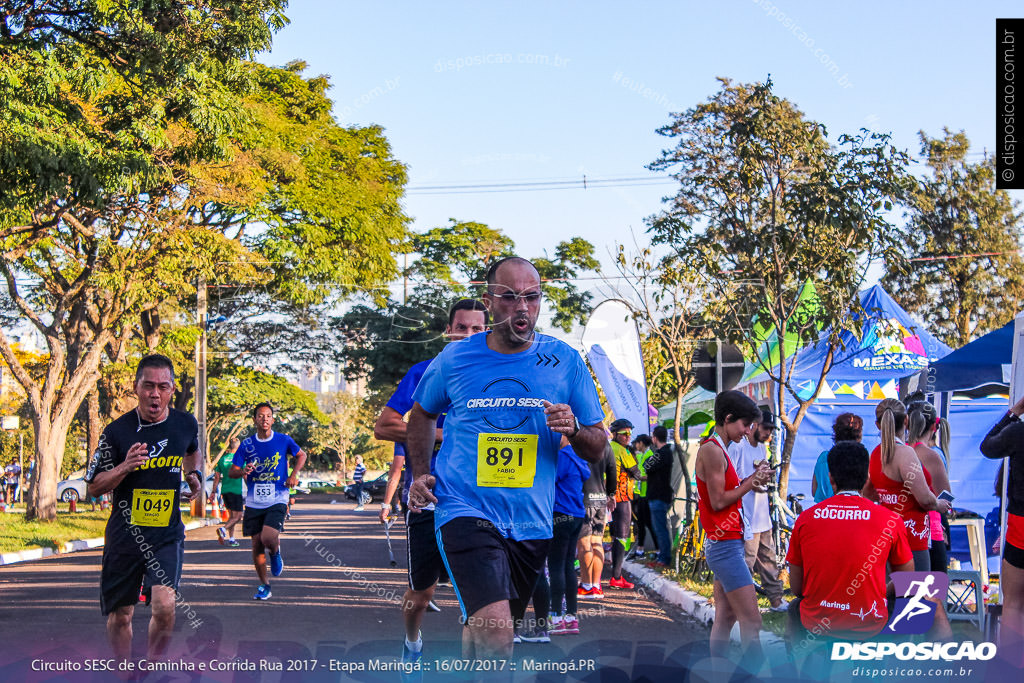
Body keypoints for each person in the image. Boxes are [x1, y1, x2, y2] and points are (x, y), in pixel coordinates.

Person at [405, 256, 607, 660]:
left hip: (531, 520)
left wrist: (573, 428)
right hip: (464, 509)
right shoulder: (456, 358)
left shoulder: (565, 361)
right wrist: (422, 473)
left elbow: (598, 443)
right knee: (498, 636)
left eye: (531, 297)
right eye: (511, 296)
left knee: (484, 630)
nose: (522, 307)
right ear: (490, 300)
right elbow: (422, 413)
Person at [372, 298, 488, 670]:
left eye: (477, 328)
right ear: (449, 330)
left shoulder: (495, 377)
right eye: (462, 327)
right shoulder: (425, 371)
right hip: (427, 498)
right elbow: (384, 424)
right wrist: (442, 432)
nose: (469, 334)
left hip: (478, 501)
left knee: (478, 599)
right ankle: (412, 640)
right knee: (421, 595)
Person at [83, 354, 202, 665]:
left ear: (172, 390)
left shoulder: (184, 423)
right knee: (120, 616)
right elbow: (93, 487)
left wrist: (194, 475)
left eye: (163, 387)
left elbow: (192, 450)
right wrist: (125, 466)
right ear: (136, 388)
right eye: (148, 386)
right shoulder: (116, 432)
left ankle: (151, 667)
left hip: (165, 533)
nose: (155, 394)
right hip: (125, 536)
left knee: (165, 606)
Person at [786, 441, 913, 648]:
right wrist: (880, 592)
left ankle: (794, 667)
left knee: (794, 608)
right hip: (870, 623)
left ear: (830, 478)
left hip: (817, 623)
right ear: (867, 478)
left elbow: (797, 588)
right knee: (914, 603)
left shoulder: (805, 519)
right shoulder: (890, 520)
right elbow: (906, 580)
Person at [862, 398, 951, 638]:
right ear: (907, 421)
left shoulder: (877, 454)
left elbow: (868, 493)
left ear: (877, 424)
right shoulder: (905, 454)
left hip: (888, 537)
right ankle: (907, 661)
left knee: (892, 602)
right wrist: (941, 504)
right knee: (915, 607)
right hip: (913, 539)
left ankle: (888, 657)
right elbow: (925, 499)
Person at [695, 390, 771, 665]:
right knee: (752, 620)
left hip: (727, 542)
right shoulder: (712, 450)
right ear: (728, 419)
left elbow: (727, 494)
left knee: (725, 618)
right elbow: (717, 501)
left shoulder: (718, 448)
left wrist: (753, 480)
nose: (747, 431)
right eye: (743, 424)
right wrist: (751, 482)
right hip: (725, 545)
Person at [229, 402, 307, 600]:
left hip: (278, 497)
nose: (265, 419)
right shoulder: (246, 445)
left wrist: (293, 474)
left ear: (273, 419)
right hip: (255, 501)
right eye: (260, 416)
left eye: (268, 416)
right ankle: (265, 585)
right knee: (256, 545)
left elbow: (301, 455)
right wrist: (242, 471)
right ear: (254, 419)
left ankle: (275, 550)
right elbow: (233, 471)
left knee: (268, 537)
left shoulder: (283, 440)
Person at [980, 394, 1024, 666]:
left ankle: (1010, 666)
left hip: (1021, 521)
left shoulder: (1018, 432)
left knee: (1013, 603)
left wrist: (1014, 412)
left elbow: (987, 447)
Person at [728, 409, 787, 612]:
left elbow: (757, 476)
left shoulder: (762, 448)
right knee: (747, 563)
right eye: (766, 428)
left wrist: (764, 477)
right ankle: (740, 605)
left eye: (771, 430)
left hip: (763, 514)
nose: (768, 434)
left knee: (769, 560)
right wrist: (752, 481)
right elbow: (732, 481)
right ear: (753, 425)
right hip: (746, 517)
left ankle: (776, 600)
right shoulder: (738, 447)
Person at [548, 436, 589, 635]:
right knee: (568, 566)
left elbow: (549, 479)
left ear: (564, 436)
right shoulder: (579, 457)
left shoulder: (563, 457)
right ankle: (571, 618)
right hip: (577, 515)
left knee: (555, 565)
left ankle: (556, 617)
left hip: (560, 514)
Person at [907, 401, 952, 573]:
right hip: (927, 535)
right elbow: (946, 499)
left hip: (897, 534)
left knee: (902, 596)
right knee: (932, 597)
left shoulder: (894, 451)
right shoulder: (931, 456)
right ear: (934, 426)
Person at [577, 440, 616, 598]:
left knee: (584, 543)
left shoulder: (578, 442)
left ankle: (586, 586)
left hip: (583, 498)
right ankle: (596, 585)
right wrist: (611, 494)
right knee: (597, 542)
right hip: (601, 498)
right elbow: (612, 471)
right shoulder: (605, 444)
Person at [608, 418, 642, 589]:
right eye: (624, 434)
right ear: (615, 434)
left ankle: (611, 574)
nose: (628, 436)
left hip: (607, 496)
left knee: (611, 535)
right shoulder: (622, 450)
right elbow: (636, 473)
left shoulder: (608, 447)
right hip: (621, 497)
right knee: (622, 536)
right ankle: (616, 577)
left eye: (630, 433)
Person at [810, 412, 863, 503]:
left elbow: (814, 491)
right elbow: (866, 494)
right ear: (858, 435)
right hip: (851, 512)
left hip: (824, 512)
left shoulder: (823, 457)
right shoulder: (861, 459)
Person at [644, 425, 674, 568]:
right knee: (660, 528)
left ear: (655, 438)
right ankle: (663, 556)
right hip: (660, 496)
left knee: (660, 529)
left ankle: (664, 558)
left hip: (658, 496)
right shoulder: (666, 453)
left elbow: (647, 466)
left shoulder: (662, 453)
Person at [630, 434, 657, 560]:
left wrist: (641, 478)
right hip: (642, 494)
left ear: (641, 443)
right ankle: (640, 550)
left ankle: (658, 549)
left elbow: (653, 476)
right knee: (641, 523)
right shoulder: (642, 456)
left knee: (649, 523)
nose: (636, 445)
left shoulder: (649, 456)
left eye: (637, 443)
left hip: (647, 495)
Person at [213, 437, 243, 546]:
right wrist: (251, 488)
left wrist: (213, 492)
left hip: (225, 490)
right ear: (239, 446)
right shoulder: (239, 459)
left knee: (232, 516)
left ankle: (231, 539)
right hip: (235, 491)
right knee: (238, 516)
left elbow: (216, 477)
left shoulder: (222, 459)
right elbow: (244, 475)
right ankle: (223, 529)